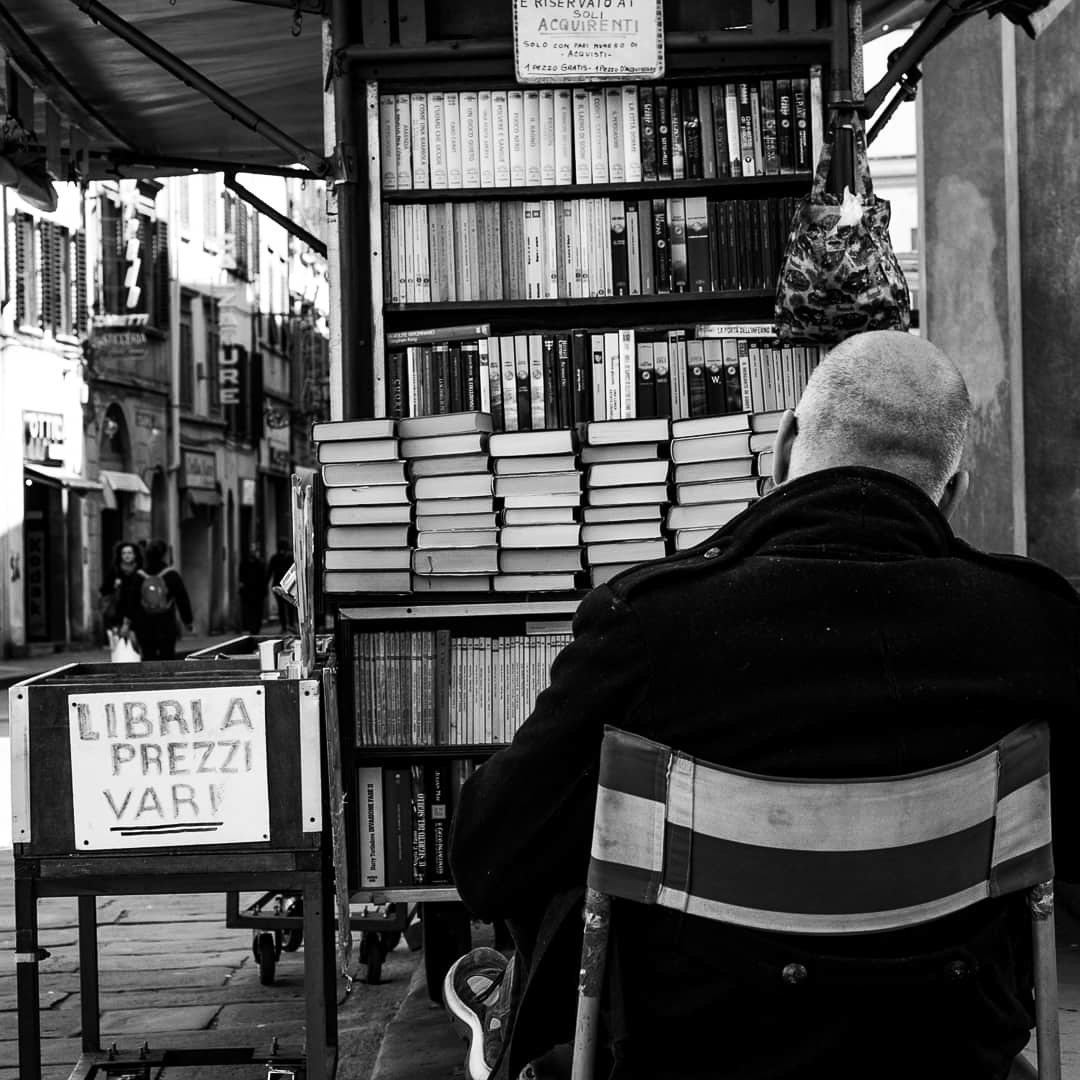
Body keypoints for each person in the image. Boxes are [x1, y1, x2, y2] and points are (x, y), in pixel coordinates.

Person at [443, 330, 1080, 1080]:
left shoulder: (648, 625)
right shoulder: (1036, 626)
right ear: (952, 495)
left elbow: (486, 858)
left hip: (691, 1057)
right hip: (949, 1053)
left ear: (781, 448)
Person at [135, 537, 194, 661]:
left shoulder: (139, 576)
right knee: (167, 656)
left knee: (148, 656)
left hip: (145, 624)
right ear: (164, 554)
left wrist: (130, 625)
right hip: (166, 623)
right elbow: (182, 598)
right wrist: (187, 621)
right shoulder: (171, 575)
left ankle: (149, 680)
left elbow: (132, 602)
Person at [99, 540, 144, 655]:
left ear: (135, 555)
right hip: (118, 614)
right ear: (120, 555)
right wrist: (114, 586)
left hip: (137, 614)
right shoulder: (115, 571)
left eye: (130, 553)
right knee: (120, 648)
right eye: (124, 553)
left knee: (136, 647)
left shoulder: (141, 571)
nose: (127, 556)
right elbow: (104, 590)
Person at [266, 538, 296, 634]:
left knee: (281, 607)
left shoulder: (275, 558)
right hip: (289, 585)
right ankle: (290, 625)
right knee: (290, 605)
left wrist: (266, 585)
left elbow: (269, 572)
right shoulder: (291, 557)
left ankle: (285, 626)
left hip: (278, 585)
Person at [238, 542, 267, 635]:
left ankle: (256, 629)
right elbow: (241, 577)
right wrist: (241, 587)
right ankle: (251, 628)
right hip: (248, 592)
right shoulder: (244, 563)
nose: (253, 552)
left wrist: (264, 590)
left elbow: (264, 578)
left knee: (258, 611)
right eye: (252, 550)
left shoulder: (260, 563)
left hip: (258, 592)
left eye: (255, 550)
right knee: (249, 611)